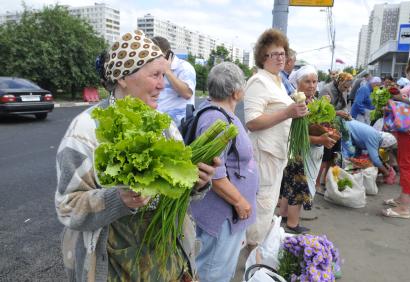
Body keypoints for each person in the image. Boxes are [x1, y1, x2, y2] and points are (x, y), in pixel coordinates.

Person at [55, 30, 219, 281]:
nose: (162, 85)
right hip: (118, 268)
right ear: (122, 78)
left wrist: (196, 182)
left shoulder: (163, 125)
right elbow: (68, 207)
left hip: (170, 263)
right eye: (155, 75)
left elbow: (177, 193)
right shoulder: (86, 131)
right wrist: (118, 200)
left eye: (164, 75)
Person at [190, 62, 259, 282]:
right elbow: (215, 174)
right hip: (222, 215)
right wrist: (240, 201)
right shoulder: (215, 119)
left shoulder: (222, 113)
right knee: (212, 273)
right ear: (236, 91)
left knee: (218, 269)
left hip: (226, 215)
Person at [243, 28, 308, 247]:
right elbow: (251, 122)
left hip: (276, 153)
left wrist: (297, 112)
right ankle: (251, 253)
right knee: (261, 205)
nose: (281, 57)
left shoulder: (277, 81)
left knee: (267, 204)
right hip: (264, 155)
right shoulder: (259, 81)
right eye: (275, 54)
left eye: (283, 53)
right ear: (263, 57)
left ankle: (255, 252)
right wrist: (287, 112)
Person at [279, 65, 337, 234]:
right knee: (298, 188)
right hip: (299, 153)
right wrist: (320, 139)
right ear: (298, 83)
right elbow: (295, 135)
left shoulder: (312, 101)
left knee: (289, 186)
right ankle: (292, 224)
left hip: (305, 152)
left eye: (314, 81)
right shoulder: (297, 102)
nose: (312, 85)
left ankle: (283, 214)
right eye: (307, 81)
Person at [382, 45, 410, 219]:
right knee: (406, 163)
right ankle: (402, 198)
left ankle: (405, 208)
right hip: (408, 128)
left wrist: (403, 99)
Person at [316, 72, 353, 192]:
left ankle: (326, 181)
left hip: (337, 128)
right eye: (345, 86)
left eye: (348, 87)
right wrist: (338, 113)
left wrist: (346, 114)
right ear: (339, 81)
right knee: (325, 157)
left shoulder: (343, 91)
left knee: (333, 156)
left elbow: (344, 106)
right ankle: (316, 184)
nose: (346, 89)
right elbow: (322, 111)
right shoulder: (326, 90)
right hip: (325, 126)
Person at [151, 36, 196, 126]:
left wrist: (168, 71)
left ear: (168, 55)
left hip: (178, 128)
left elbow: (187, 93)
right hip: (157, 123)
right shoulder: (154, 69)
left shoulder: (185, 68)